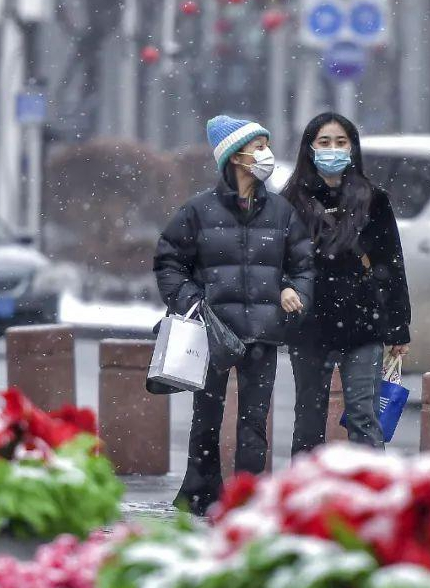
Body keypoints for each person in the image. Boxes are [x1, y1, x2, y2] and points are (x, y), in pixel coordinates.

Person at [154, 115, 314, 516]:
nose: (266, 154)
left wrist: (295, 291)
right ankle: (200, 496)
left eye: (266, 145)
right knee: (205, 419)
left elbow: (304, 265)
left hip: (262, 334)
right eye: (258, 146)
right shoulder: (198, 211)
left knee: (254, 423)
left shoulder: (282, 212)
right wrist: (191, 301)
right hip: (213, 334)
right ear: (236, 157)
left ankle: (247, 500)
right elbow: (168, 260)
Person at [281, 112, 412, 455]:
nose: (333, 150)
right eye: (324, 142)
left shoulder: (374, 199)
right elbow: (277, 261)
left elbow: (392, 263)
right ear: (309, 149)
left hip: (362, 320)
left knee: (362, 414)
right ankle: (305, 498)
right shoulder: (290, 200)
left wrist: (399, 329)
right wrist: (284, 289)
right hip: (309, 321)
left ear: (353, 149)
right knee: (308, 418)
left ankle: (369, 494)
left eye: (341, 142)